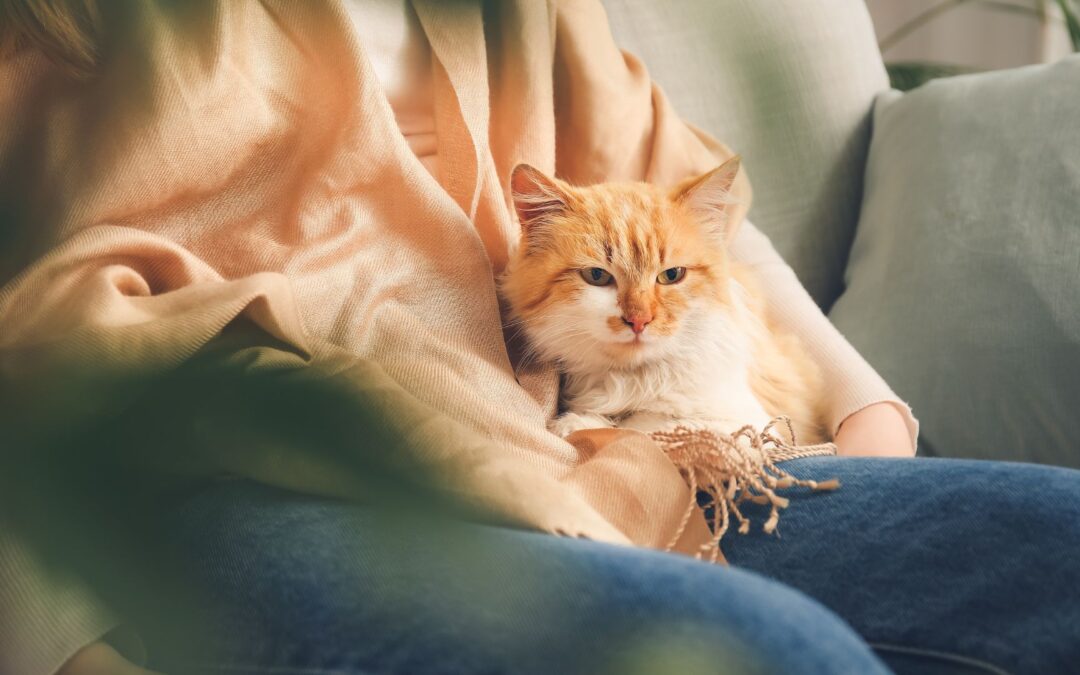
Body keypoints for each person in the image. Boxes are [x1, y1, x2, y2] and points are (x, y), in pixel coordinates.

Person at [0, 1, 1076, 674]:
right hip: (252, 484)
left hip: (574, 455)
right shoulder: (69, 25)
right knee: (773, 655)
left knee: (1059, 538)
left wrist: (868, 411)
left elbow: (700, 227)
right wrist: (62, 641)